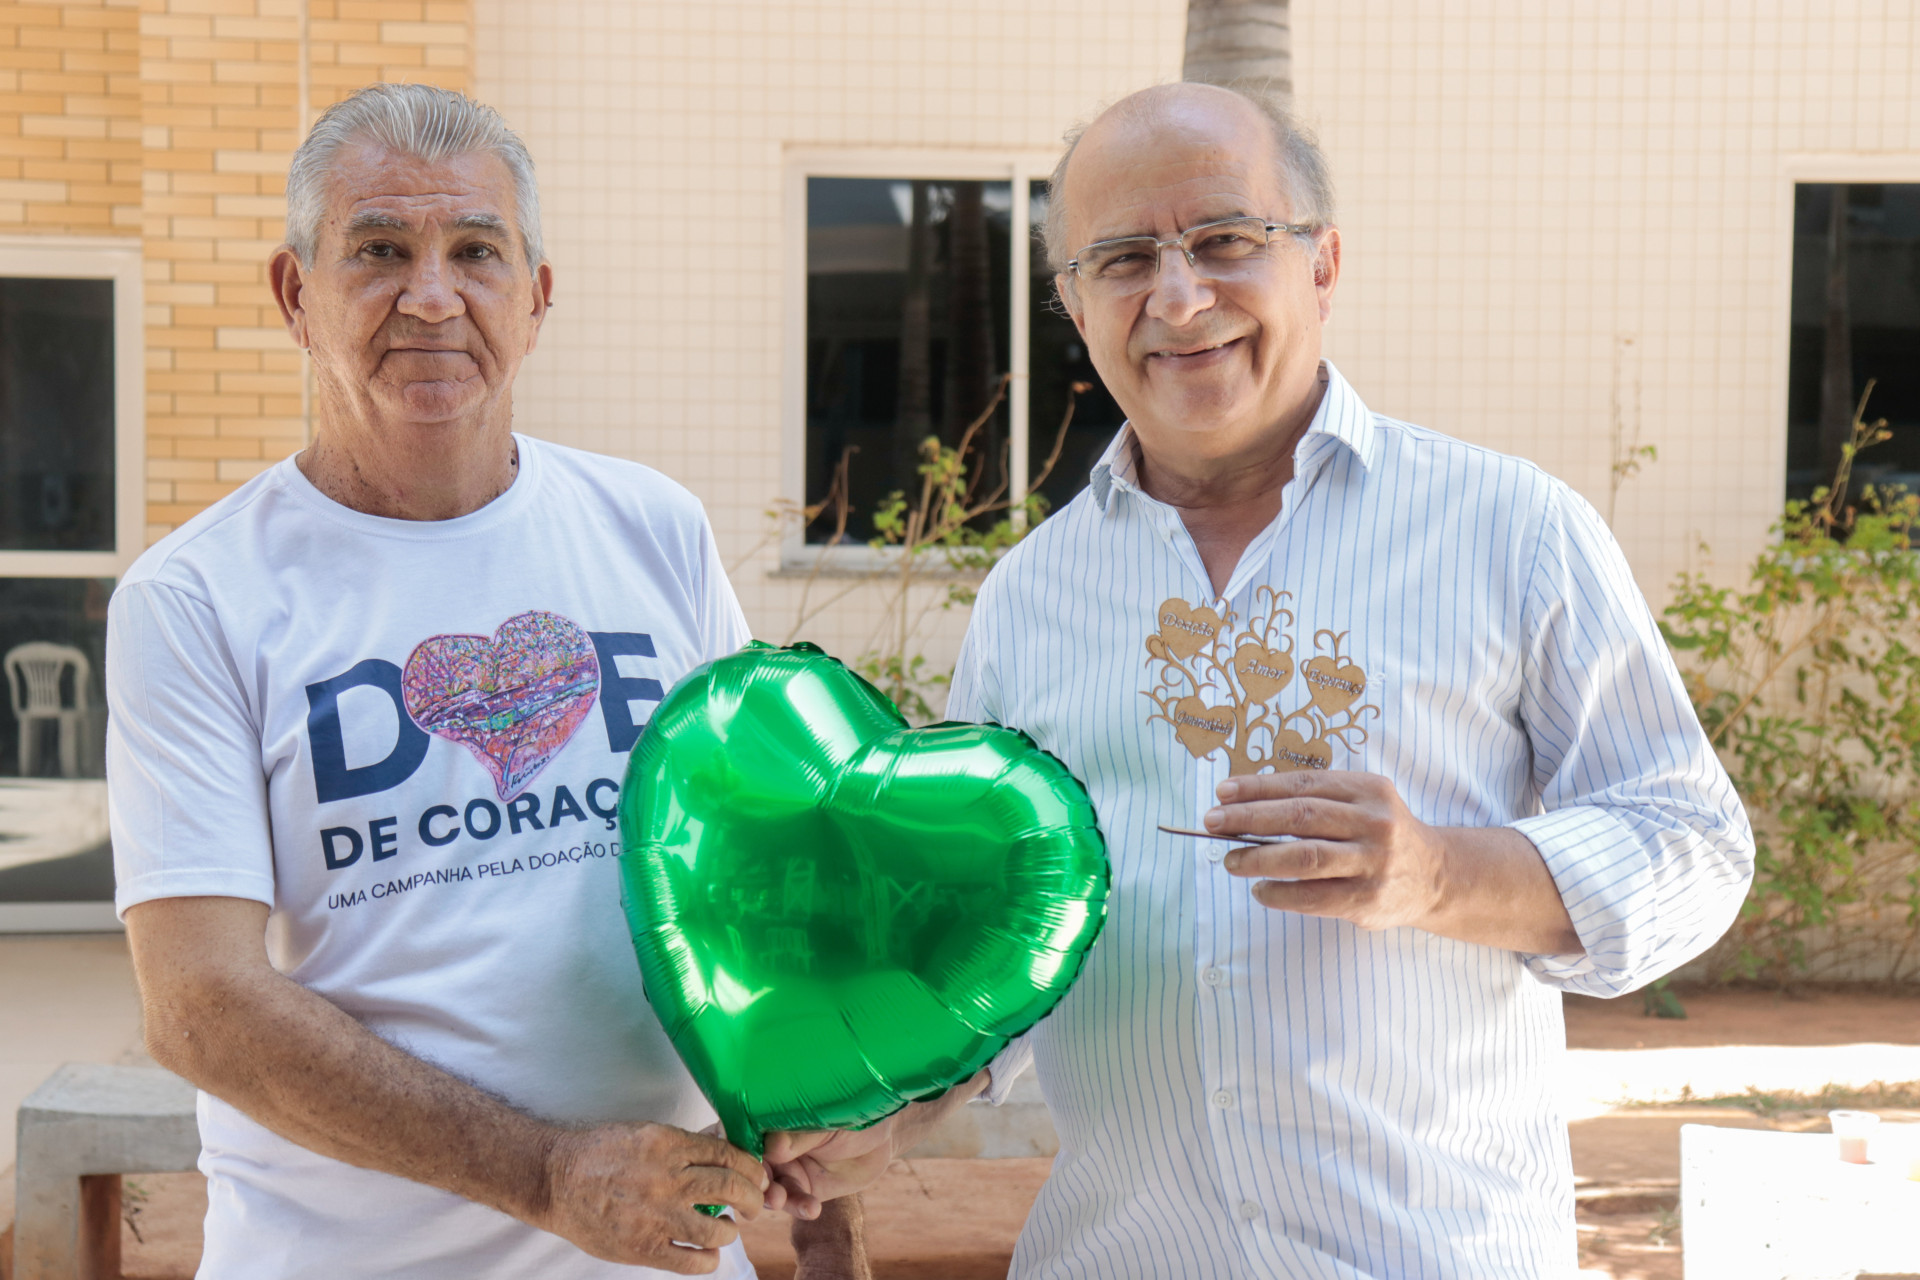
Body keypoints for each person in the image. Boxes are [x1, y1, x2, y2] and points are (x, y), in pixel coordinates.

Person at [763, 82, 1755, 1278]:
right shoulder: (1031, 599)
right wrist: (883, 1111)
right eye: (1123, 258)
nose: (1180, 298)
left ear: (1324, 263)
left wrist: (1443, 872)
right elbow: (990, 954)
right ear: (1076, 305)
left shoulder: (1512, 528)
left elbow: (1693, 842)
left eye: (1226, 240)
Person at [109, 83, 855, 1279]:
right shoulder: (197, 595)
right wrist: (545, 1174)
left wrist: (826, 1102)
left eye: (475, 251)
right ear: (296, 295)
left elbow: (757, 866)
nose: (432, 295)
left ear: (537, 295)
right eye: (380, 250)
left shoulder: (651, 527)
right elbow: (200, 1003)